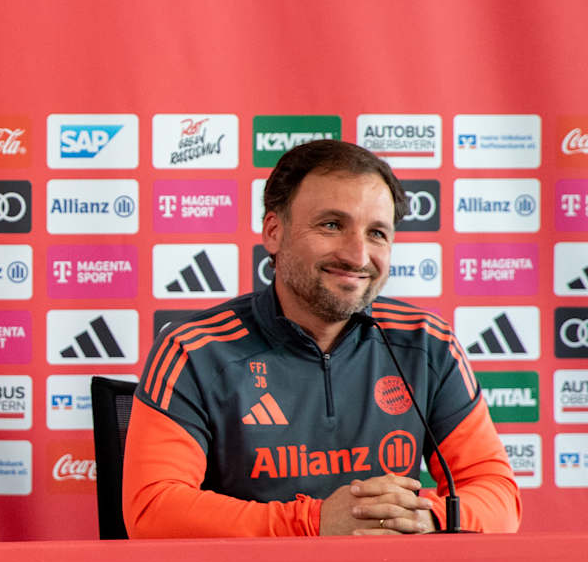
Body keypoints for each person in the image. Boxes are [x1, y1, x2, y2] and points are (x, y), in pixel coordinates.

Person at [123, 140, 520, 537]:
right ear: (274, 232)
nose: (357, 255)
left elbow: (498, 495)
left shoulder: (426, 343)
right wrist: (312, 523)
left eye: (377, 233)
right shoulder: (195, 349)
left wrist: (427, 516)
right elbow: (153, 509)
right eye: (331, 225)